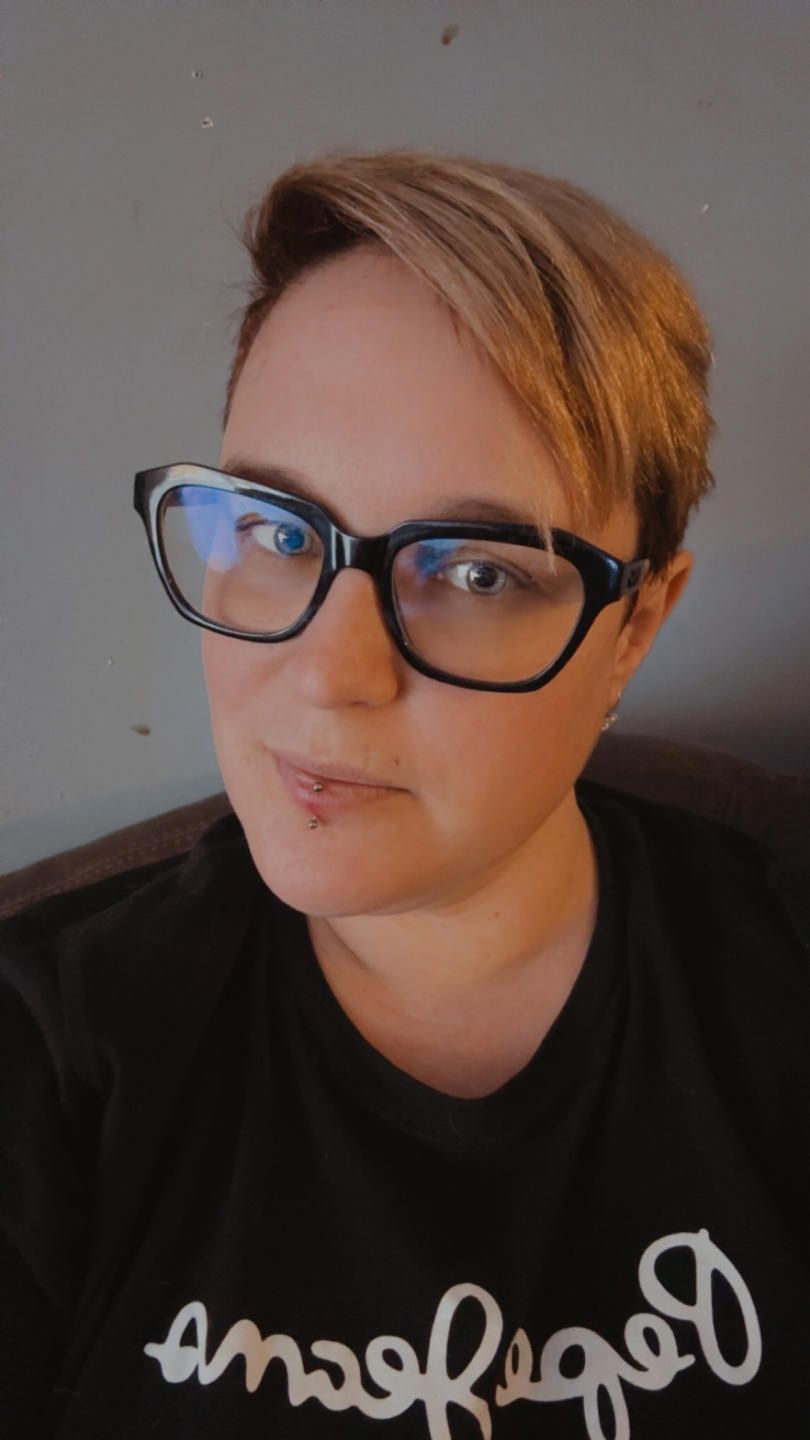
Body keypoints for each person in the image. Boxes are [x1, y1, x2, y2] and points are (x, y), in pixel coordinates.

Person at [1, 149, 807, 1439]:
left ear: (636, 626)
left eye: (478, 572)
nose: (330, 674)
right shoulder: (49, 1049)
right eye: (275, 531)